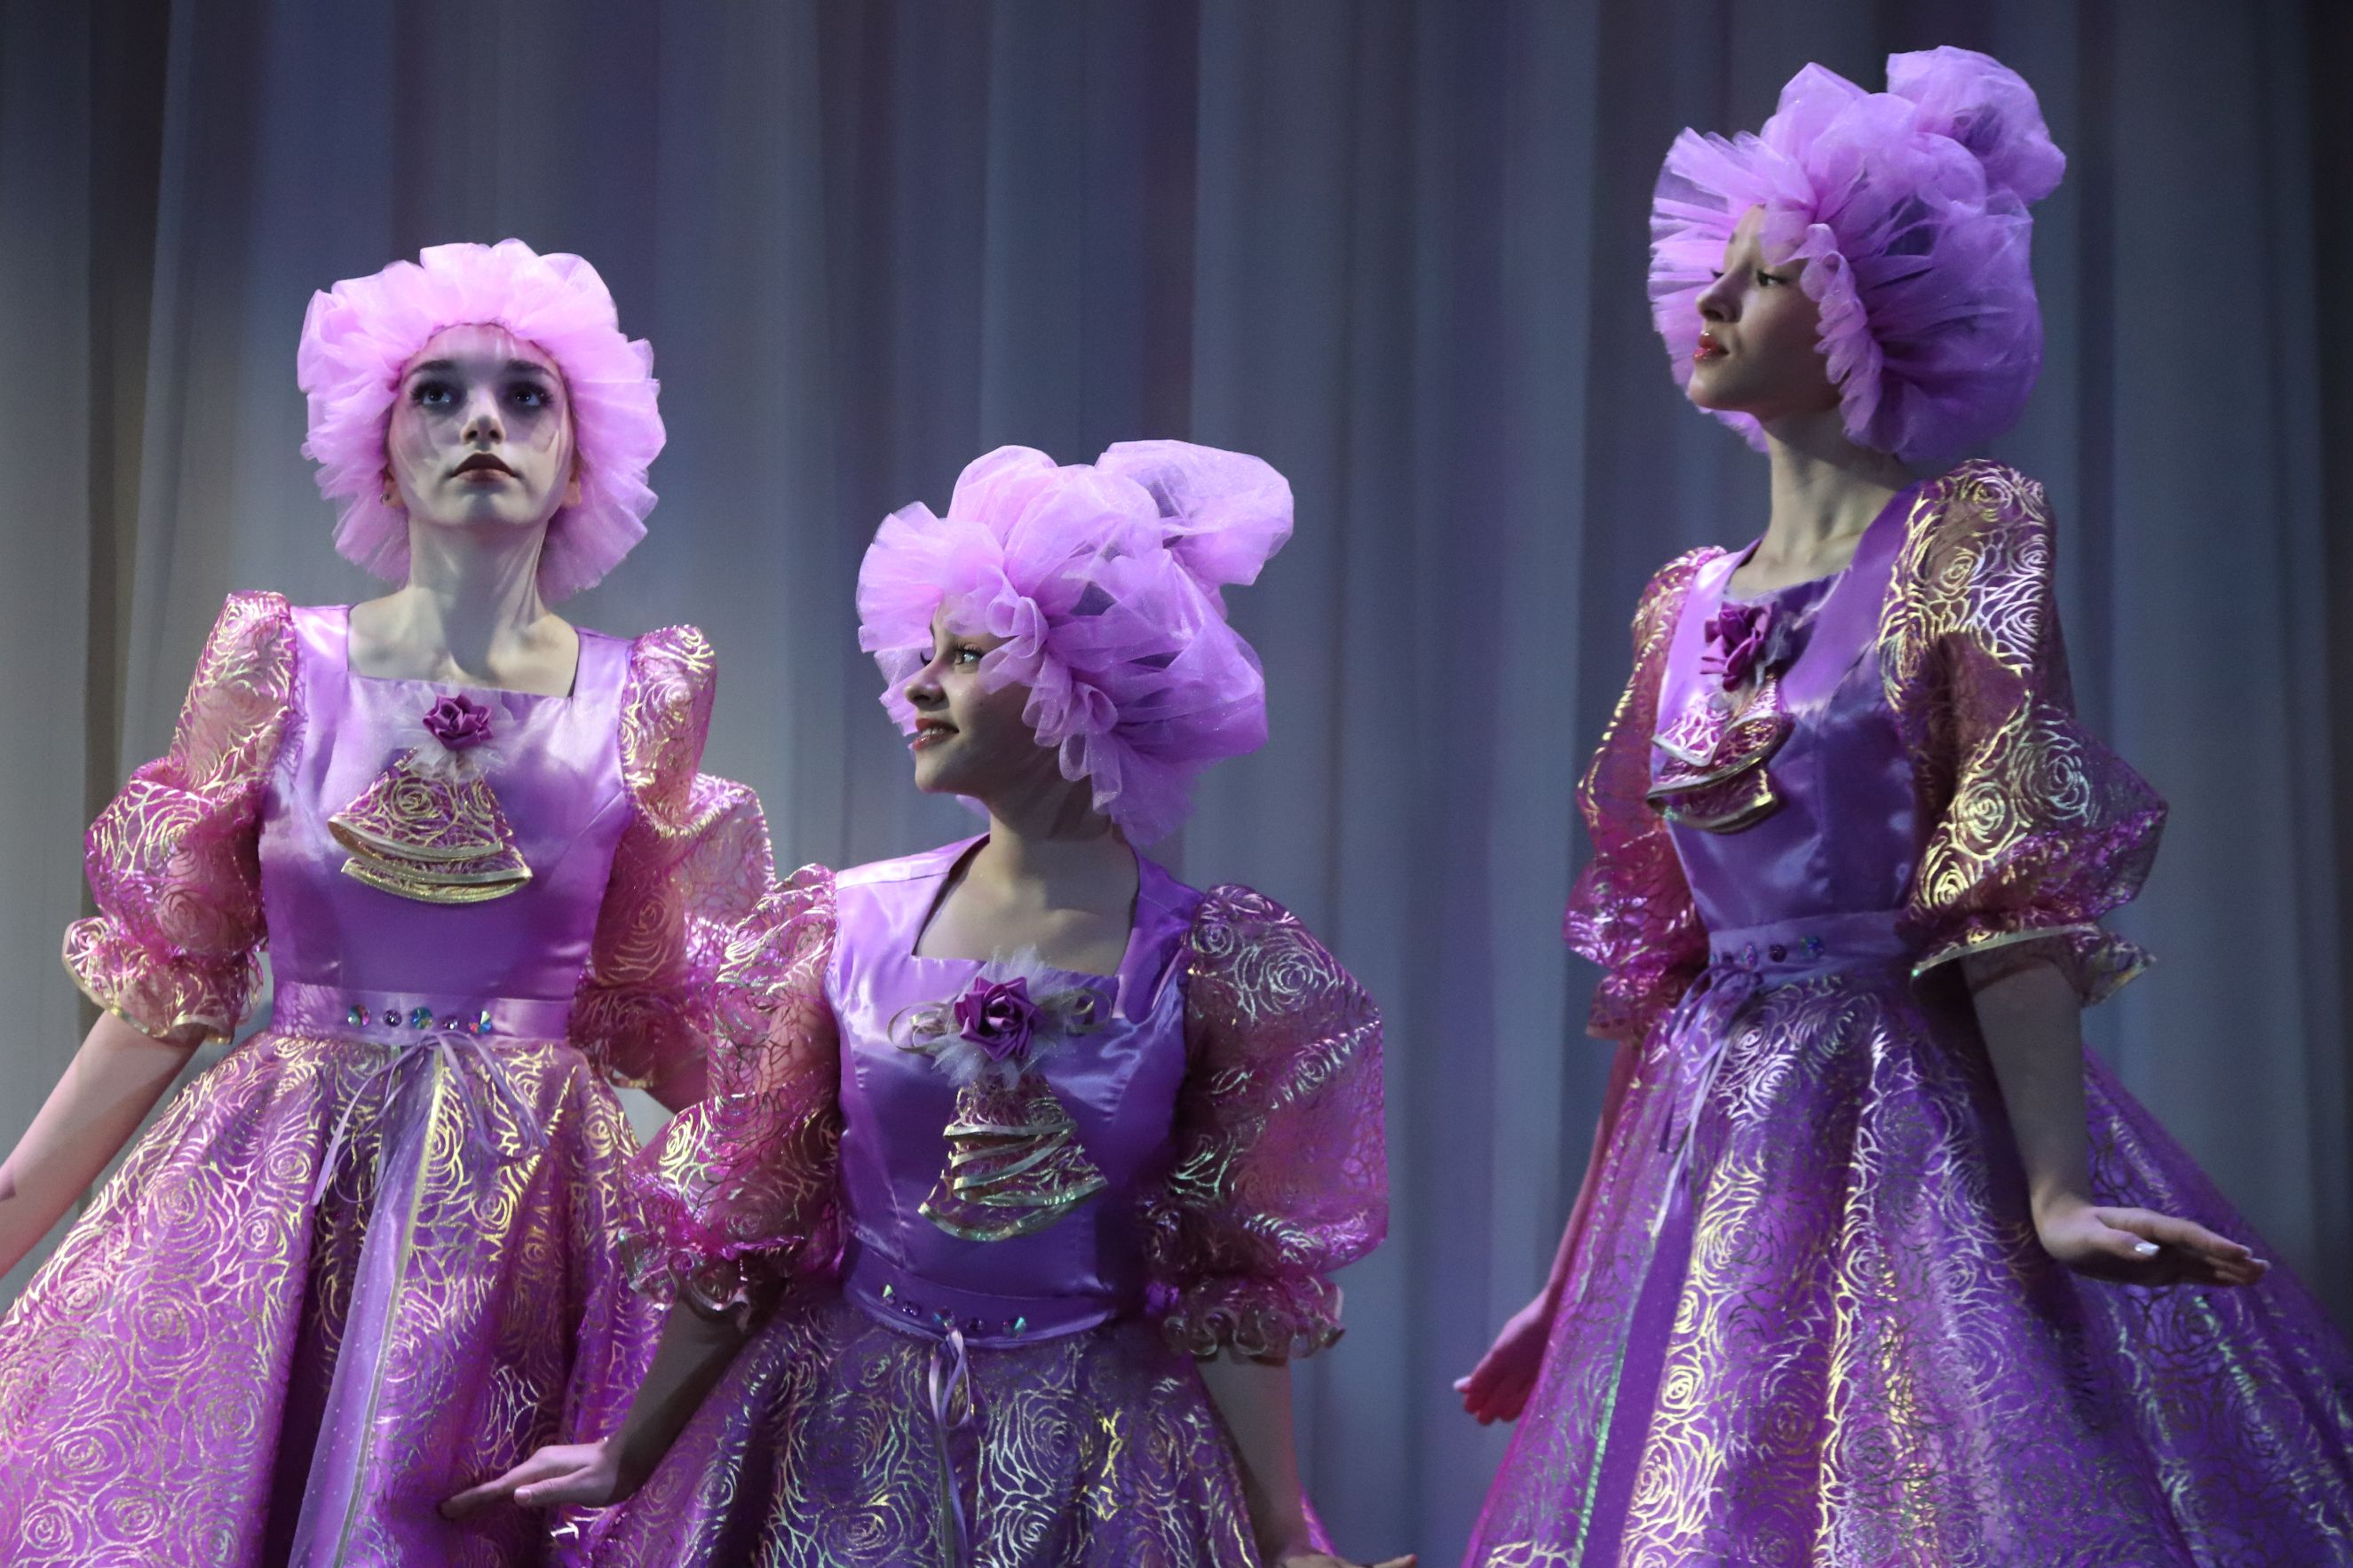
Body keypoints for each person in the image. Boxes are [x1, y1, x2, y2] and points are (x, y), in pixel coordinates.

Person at [1455, 48, 2353, 1565]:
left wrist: (2055, 1191)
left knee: (1916, 1488)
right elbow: (1662, 970)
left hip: (1905, 1112)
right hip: (1715, 1143)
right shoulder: (1681, 604)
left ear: (1865, 315)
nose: (1712, 301)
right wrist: (1569, 1279)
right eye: (1719, 272)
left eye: (1765, 279)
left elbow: (2008, 872)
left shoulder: (1959, 538)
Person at [447, 441, 1411, 1568]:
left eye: (965, 655)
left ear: (1080, 684)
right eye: (926, 650)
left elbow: (1232, 1285)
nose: (916, 684)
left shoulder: (1211, 966)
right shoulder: (840, 929)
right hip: (841, 1436)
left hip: (1098, 1457)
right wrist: (628, 1450)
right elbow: (752, 1221)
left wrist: (1286, 1535)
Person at [0, 240, 771, 1565]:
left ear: (579, 457)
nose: (481, 422)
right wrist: (13, 1201)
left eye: (525, 396)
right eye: (438, 393)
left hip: (525, 1218)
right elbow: (173, 978)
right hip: (279, 1185)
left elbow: (666, 1015)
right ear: (380, 446)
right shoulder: (278, 661)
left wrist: (824, 1210)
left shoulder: (641, 695)